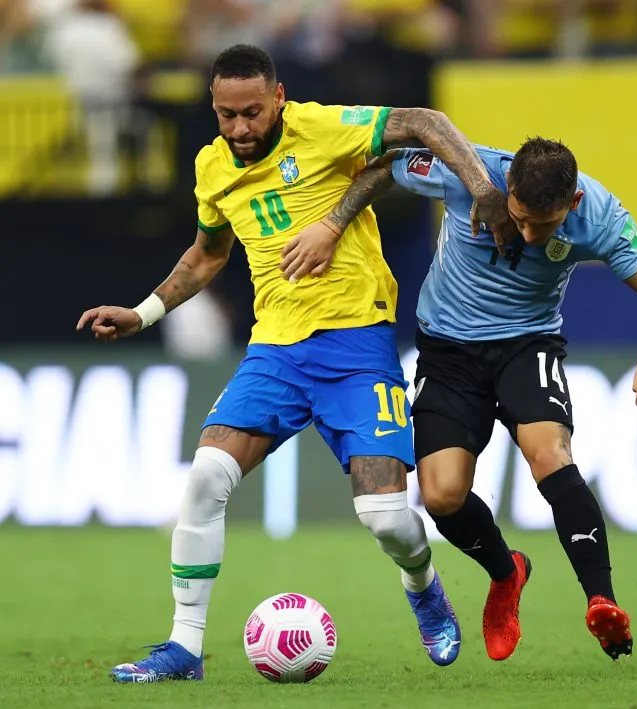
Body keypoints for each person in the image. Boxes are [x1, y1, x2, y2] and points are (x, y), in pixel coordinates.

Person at [76, 43, 514, 681]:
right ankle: (184, 648)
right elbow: (206, 255)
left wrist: (481, 189)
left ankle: (423, 586)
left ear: (278, 98)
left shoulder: (322, 127)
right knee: (203, 482)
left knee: (386, 517)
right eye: (226, 115)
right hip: (274, 352)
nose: (240, 128)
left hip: (357, 346)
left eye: (252, 112)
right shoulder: (211, 167)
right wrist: (142, 314)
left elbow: (421, 122)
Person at [281, 137, 637, 661]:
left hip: (527, 343)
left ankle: (601, 601)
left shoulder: (600, 214)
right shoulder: (466, 174)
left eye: (548, 224)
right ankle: (506, 573)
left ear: (574, 205)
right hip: (448, 352)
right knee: (442, 495)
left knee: (551, 455)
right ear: (506, 188)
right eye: (521, 217)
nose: (532, 235)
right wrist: (333, 224)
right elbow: (383, 166)